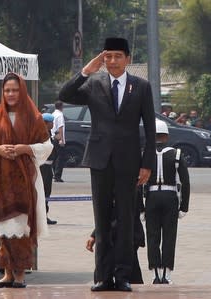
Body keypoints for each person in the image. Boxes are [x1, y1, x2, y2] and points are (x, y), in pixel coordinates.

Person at [59, 37, 156, 292]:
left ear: (127, 59)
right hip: (100, 159)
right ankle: (103, 276)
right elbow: (65, 94)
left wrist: (147, 164)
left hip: (129, 161)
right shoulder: (93, 83)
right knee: (101, 219)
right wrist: (85, 71)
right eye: (108, 56)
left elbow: (150, 127)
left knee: (125, 218)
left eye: (117, 56)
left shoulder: (142, 86)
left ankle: (123, 275)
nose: (112, 61)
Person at [0, 72, 52, 289]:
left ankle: (20, 275)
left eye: (15, 90)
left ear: (22, 91)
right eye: (7, 90)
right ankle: (7, 273)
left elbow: (47, 147)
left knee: (21, 228)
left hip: (25, 181)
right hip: (0, 181)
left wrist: (25, 148)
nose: (11, 94)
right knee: (3, 228)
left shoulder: (33, 117)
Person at [141, 120, 190, 285]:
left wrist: (140, 208)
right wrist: (184, 207)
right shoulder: (176, 154)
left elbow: (138, 182)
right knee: (169, 236)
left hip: (152, 198)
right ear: (166, 136)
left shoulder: (145, 154)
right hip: (170, 198)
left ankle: (156, 273)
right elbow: (185, 182)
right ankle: (167, 275)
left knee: (153, 236)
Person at [40, 113, 57, 225]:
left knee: (47, 192)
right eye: (51, 122)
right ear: (46, 123)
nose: (53, 124)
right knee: (43, 192)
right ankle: (41, 217)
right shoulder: (41, 134)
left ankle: (44, 215)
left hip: (48, 167)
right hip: (43, 166)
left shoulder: (49, 133)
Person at [51, 101, 66, 182]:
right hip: (58, 138)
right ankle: (58, 176)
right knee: (60, 157)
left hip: (53, 137)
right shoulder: (60, 115)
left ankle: (54, 174)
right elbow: (60, 127)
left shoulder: (53, 114)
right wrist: (62, 140)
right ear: (61, 107)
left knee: (55, 157)